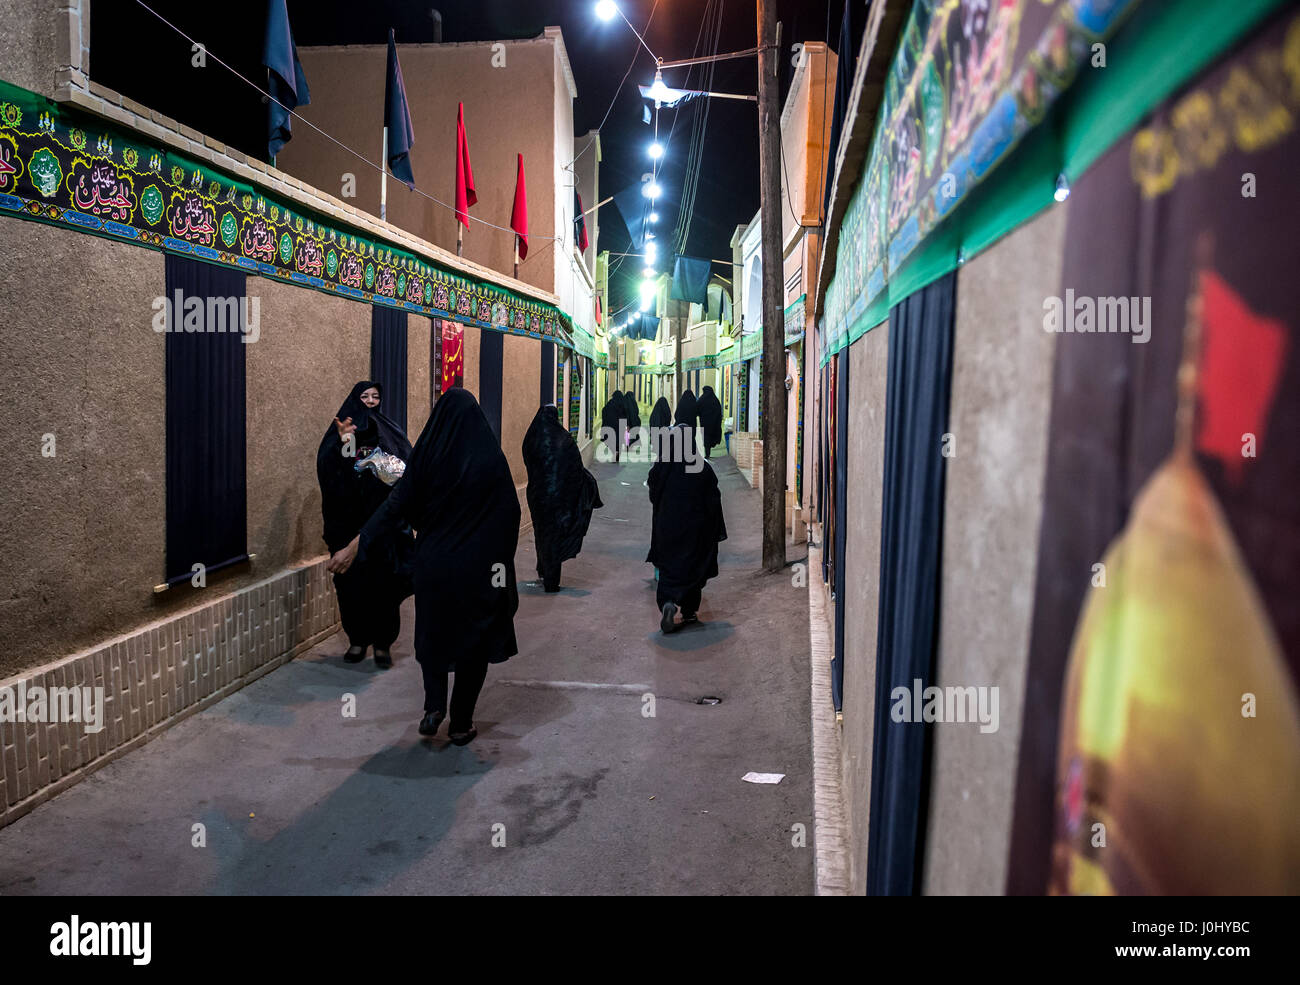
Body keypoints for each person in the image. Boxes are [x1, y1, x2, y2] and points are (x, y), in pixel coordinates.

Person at [328, 388, 520, 745]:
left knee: (435, 636)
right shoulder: (490, 460)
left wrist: (356, 545)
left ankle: (434, 708)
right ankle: (461, 723)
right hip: (479, 570)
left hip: (434, 566)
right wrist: (499, 562)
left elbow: (395, 506)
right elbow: (510, 515)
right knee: (473, 644)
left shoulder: (428, 457)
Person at [317, 381, 413, 668]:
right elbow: (330, 475)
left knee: (385, 586)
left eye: (375, 396)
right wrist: (345, 444)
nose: (370, 401)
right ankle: (357, 640)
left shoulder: (390, 430)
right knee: (351, 587)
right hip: (346, 527)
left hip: (383, 526)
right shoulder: (338, 436)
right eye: (364, 396)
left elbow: (407, 470)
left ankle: (383, 644)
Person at [646, 390, 727, 634]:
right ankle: (689, 611)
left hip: (668, 528)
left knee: (670, 569)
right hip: (695, 531)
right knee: (692, 568)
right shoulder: (701, 468)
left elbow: (653, 490)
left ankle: (668, 603)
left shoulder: (662, 466)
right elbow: (714, 498)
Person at [522, 405, 603, 592]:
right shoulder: (563, 439)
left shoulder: (531, 438)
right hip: (559, 499)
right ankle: (551, 580)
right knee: (555, 536)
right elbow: (575, 468)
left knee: (541, 535)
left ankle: (543, 569)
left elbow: (528, 461)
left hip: (537, 497)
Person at [697, 385, 723, 459]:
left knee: (706, 438)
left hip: (704, 424)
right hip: (714, 424)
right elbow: (719, 412)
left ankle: (707, 453)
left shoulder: (702, 399)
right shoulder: (715, 400)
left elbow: (697, 410)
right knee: (711, 437)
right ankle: (708, 452)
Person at [601, 390, 627, 462]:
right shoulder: (623, 404)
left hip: (610, 425)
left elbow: (604, 411)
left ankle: (614, 453)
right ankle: (617, 454)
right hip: (620, 426)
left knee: (611, 441)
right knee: (619, 442)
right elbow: (625, 415)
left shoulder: (610, 403)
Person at [648, 395, 672, 460]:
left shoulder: (655, 411)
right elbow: (669, 418)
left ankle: (658, 458)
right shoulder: (666, 410)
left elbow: (651, 421)